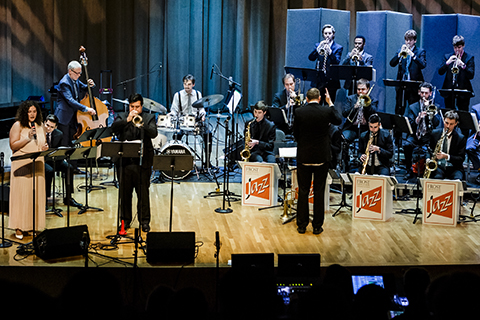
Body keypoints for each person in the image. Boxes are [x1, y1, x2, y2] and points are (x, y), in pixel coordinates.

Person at [294, 88, 342, 235]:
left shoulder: (299, 112)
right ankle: (317, 226)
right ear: (320, 98)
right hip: (321, 157)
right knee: (318, 192)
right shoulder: (326, 111)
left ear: (307, 99)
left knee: (303, 191)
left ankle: (302, 225)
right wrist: (331, 103)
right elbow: (339, 120)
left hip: (304, 157)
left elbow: (295, 134)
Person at [111, 93, 157, 233]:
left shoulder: (149, 118)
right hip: (124, 163)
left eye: (137, 107)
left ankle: (144, 222)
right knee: (125, 195)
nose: (134, 109)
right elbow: (113, 128)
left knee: (143, 194)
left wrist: (141, 124)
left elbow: (153, 133)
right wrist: (128, 119)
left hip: (142, 164)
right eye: (132, 106)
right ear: (128, 106)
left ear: (142, 106)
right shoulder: (121, 116)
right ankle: (125, 221)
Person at [9, 101, 48, 240]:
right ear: (25, 112)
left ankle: (32, 225)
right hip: (21, 164)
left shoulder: (40, 125)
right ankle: (19, 227)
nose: (32, 114)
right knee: (21, 196)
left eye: (34, 111)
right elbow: (13, 145)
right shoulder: (18, 125)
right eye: (29, 111)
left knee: (35, 196)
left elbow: (42, 143)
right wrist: (27, 138)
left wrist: (44, 148)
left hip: (37, 163)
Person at [169, 74, 211, 165]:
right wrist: (172, 115)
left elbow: (201, 109)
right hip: (182, 121)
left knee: (208, 134)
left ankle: (207, 162)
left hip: (195, 122)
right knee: (176, 136)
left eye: (188, 84)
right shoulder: (178, 95)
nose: (186, 87)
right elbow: (174, 110)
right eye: (184, 84)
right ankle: (177, 160)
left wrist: (203, 115)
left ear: (193, 84)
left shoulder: (197, 94)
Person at [403, 82, 443, 180]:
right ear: (418, 92)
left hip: (428, 136)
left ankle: (431, 170)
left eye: (426, 93)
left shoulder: (435, 106)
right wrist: (418, 118)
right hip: (416, 135)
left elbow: (437, 123)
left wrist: (430, 113)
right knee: (406, 145)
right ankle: (408, 169)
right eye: (422, 93)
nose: (423, 95)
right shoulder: (413, 107)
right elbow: (410, 124)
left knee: (433, 147)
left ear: (430, 94)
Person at [44, 114, 83, 211]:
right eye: (47, 125)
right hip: (43, 160)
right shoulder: (38, 133)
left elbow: (61, 150)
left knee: (69, 167)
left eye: (52, 127)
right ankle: (44, 199)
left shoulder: (59, 134)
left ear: (55, 127)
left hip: (55, 160)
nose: (48, 128)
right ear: (44, 123)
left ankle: (68, 198)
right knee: (49, 171)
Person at [54, 60, 97, 149]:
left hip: (73, 116)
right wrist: (86, 109)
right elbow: (70, 100)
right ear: (70, 71)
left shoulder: (75, 79)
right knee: (65, 144)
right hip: (64, 117)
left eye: (80, 73)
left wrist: (90, 85)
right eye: (77, 73)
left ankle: (73, 162)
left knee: (73, 142)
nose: (79, 75)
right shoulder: (64, 83)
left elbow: (83, 87)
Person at [341, 78, 378, 171]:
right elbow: (344, 113)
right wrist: (355, 107)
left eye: (363, 89)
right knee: (344, 138)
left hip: (366, 128)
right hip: (352, 128)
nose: (360, 92)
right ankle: (345, 164)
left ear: (368, 89)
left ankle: (364, 165)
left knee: (365, 139)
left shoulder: (373, 100)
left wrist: (366, 105)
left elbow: (373, 115)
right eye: (358, 89)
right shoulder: (350, 98)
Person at [389, 30, 427, 116]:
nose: (408, 42)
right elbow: (392, 63)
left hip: (413, 86)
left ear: (415, 41)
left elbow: (423, 65)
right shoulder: (401, 50)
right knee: (399, 108)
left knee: (413, 109)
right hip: (402, 85)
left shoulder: (420, 51)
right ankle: (397, 128)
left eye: (410, 40)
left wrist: (413, 55)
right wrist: (399, 55)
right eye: (406, 40)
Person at [438, 35, 475, 111]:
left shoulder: (469, 58)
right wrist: (447, 63)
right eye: (455, 48)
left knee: (463, 114)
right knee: (448, 113)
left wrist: (463, 65)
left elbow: (471, 75)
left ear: (463, 46)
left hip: (463, 92)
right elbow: (440, 72)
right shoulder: (447, 56)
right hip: (449, 91)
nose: (457, 50)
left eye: (459, 47)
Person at [308, 24, 343, 103]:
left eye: (329, 33)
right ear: (323, 34)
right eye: (325, 33)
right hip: (319, 79)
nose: (327, 36)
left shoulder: (338, 47)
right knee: (317, 103)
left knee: (329, 104)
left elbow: (336, 62)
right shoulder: (318, 45)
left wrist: (330, 52)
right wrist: (318, 49)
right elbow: (311, 58)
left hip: (331, 80)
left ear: (333, 34)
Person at [428, 110, 466, 180]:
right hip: (438, 166)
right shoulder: (434, 134)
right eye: (446, 123)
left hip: (454, 168)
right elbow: (428, 149)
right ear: (443, 120)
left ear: (456, 123)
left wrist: (446, 156)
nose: (448, 126)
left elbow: (461, 159)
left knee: (457, 181)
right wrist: (428, 159)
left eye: (451, 124)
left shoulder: (461, 138)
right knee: (437, 179)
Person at [466, 104, 480, 183]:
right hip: (477, 135)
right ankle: (479, 168)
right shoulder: (476, 108)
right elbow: (472, 125)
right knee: (469, 148)